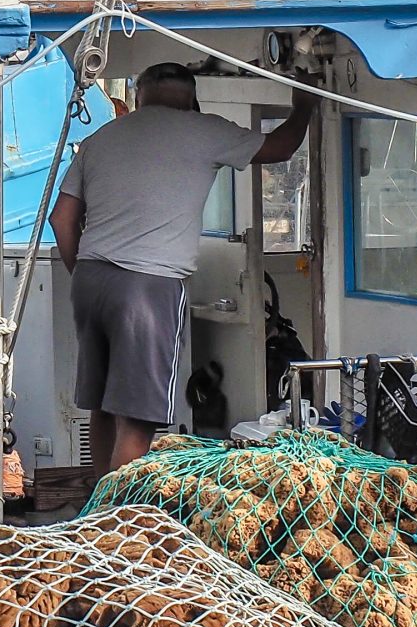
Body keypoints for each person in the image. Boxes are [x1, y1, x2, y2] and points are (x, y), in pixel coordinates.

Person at [52, 61, 314, 473]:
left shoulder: (102, 138)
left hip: (90, 280)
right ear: (192, 99)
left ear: (139, 99)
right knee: (138, 419)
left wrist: (83, 272)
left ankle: (93, 511)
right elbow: (280, 147)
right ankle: (114, 520)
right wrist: (305, 104)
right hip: (148, 285)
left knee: (102, 407)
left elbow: (62, 220)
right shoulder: (204, 130)